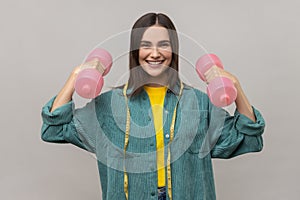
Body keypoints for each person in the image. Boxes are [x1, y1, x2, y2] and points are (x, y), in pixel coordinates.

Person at [41, 13, 265, 200]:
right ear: (135, 52)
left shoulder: (199, 103)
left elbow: (248, 139)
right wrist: (75, 76)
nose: (155, 53)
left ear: (173, 50)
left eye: (164, 45)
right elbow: (54, 129)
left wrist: (235, 87)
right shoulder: (108, 106)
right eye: (145, 45)